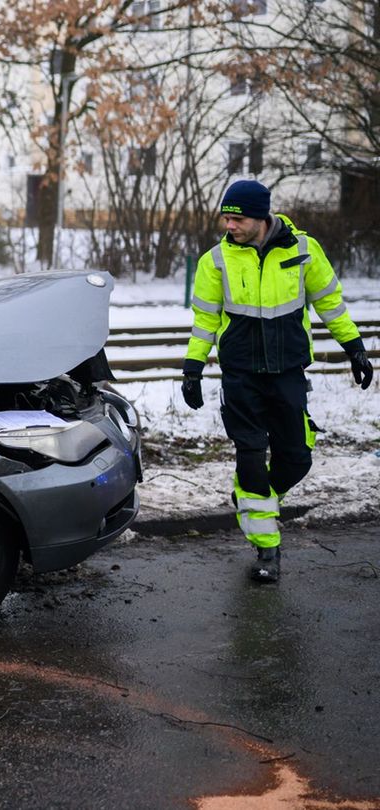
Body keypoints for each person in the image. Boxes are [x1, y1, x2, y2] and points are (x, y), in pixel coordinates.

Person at [181, 179, 372, 583]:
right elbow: (205, 322)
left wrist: (354, 347)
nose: (229, 225)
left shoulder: (304, 250)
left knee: (297, 458)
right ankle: (267, 549)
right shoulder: (215, 261)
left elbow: (330, 303)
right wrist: (193, 369)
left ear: (261, 216)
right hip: (241, 377)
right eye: (226, 217)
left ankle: (253, 499)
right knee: (250, 458)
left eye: (238, 218)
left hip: (288, 374)